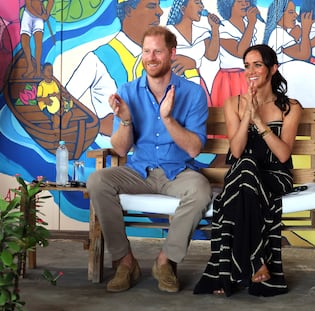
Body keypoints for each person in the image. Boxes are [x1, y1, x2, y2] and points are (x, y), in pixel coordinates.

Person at [86, 26, 212, 294]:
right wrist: (126, 120)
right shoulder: (128, 91)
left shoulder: (193, 93)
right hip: (138, 171)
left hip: (177, 172)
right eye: (146, 51)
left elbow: (194, 150)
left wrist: (168, 119)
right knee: (97, 180)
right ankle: (125, 262)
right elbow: (120, 150)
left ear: (171, 53)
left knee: (200, 190)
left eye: (157, 51)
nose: (151, 57)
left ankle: (166, 261)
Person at [193, 44, 302, 297]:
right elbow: (238, 150)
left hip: (274, 176)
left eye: (257, 65)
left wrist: (259, 121)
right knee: (245, 168)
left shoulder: (290, 107)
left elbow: (284, 155)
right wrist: (246, 117)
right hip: (244, 175)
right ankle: (256, 262)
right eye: (246, 66)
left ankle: (227, 273)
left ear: (272, 69)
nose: (250, 71)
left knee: (242, 179)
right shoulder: (233, 103)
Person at [66, 0, 164, 137]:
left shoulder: (160, 61)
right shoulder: (97, 59)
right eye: (151, 6)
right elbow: (65, 104)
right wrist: (97, 125)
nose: (160, 12)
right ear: (129, 10)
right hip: (112, 153)